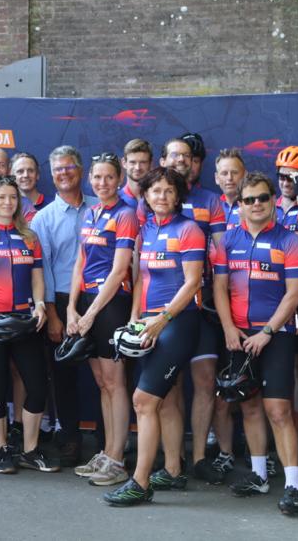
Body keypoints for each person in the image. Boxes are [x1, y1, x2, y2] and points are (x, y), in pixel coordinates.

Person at [103, 167, 204, 505]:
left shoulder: (189, 229)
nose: (162, 196)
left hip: (178, 322)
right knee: (168, 399)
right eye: (155, 190)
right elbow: (141, 280)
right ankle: (173, 470)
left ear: (178, 196)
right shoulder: (145, 231)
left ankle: (140, 482)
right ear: (145, 195)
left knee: (143, 401)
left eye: (169, 191)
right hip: (148, 322)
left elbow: (192, 283)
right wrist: (135, 319)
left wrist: (161, 320)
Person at [213, 172, 298, 516]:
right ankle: (258, 476)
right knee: (249, 406)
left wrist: (267, 332)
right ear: (238, 204)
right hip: (238, 335)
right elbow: (219, 288)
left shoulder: (289, 241)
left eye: (263, 198)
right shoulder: (226, 241)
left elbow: (295, 294)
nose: (257, 204)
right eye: (249, 199)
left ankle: (293, 486)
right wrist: (227, 328)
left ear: (272, 200)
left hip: (276, 335)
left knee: (278, 410)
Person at [0, 176, 57, 474]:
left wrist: (40, 304)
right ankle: (3, 449)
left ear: (19, 202)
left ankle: (30, 450)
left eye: (12, 198)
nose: (7, 202)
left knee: (37, 387)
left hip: (25, 319)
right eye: (1, 197)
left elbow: (38, 278)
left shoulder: (29, 236)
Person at [66, 153, 138, 487]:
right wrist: (72, 309)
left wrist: (92, 313)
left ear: (119, 178)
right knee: (101, 383)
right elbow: (79, 266)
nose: (102, 183)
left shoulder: (125, 214)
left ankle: (117, 459)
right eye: (97, 177)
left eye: (109, 177)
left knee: (115, 382)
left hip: (111, 304)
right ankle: (107, 455)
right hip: (87, 303)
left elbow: (120, 269)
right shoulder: (91, 213)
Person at [159, 136, 229, 484]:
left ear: (193, 162)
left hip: (201, 308)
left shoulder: (210, 201)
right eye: (174, 155)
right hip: (164, 309)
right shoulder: (153, 198)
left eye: (186, 156)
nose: (180, 160)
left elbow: (221, 253)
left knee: (204, 381)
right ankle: (173, 460)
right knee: (169, 384)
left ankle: (200, 456)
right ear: (164, 159)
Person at [30, 146, 97, 467]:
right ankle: (69, 437)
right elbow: (40, 267)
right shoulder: (43, 218)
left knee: (107, 375)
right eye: (57, 169)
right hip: (61, 300)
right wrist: (53, 313)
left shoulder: (102, 208)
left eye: (69, 167)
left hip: (101, 299)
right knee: (64, 376)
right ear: (52, 175)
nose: (64, 173)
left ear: (81, 170)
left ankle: (106, 441)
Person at [275, 145, 298, 434]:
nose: (287, 182)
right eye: (283, 177)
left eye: (295, 177)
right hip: (272, 294)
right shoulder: (265, 204)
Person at [216, 148, 246, 231]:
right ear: (216, 178)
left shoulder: (255, 206)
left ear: (245, 175)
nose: (229, 178)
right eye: (224, 173)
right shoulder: (211, 206)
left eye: (235, 172)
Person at [119, 139, 152, 209]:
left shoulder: (159, 199)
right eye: (132, 162)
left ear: (150, 164)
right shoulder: (115, 200)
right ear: (124, 163)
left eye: (143, 162)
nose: (137, 168)